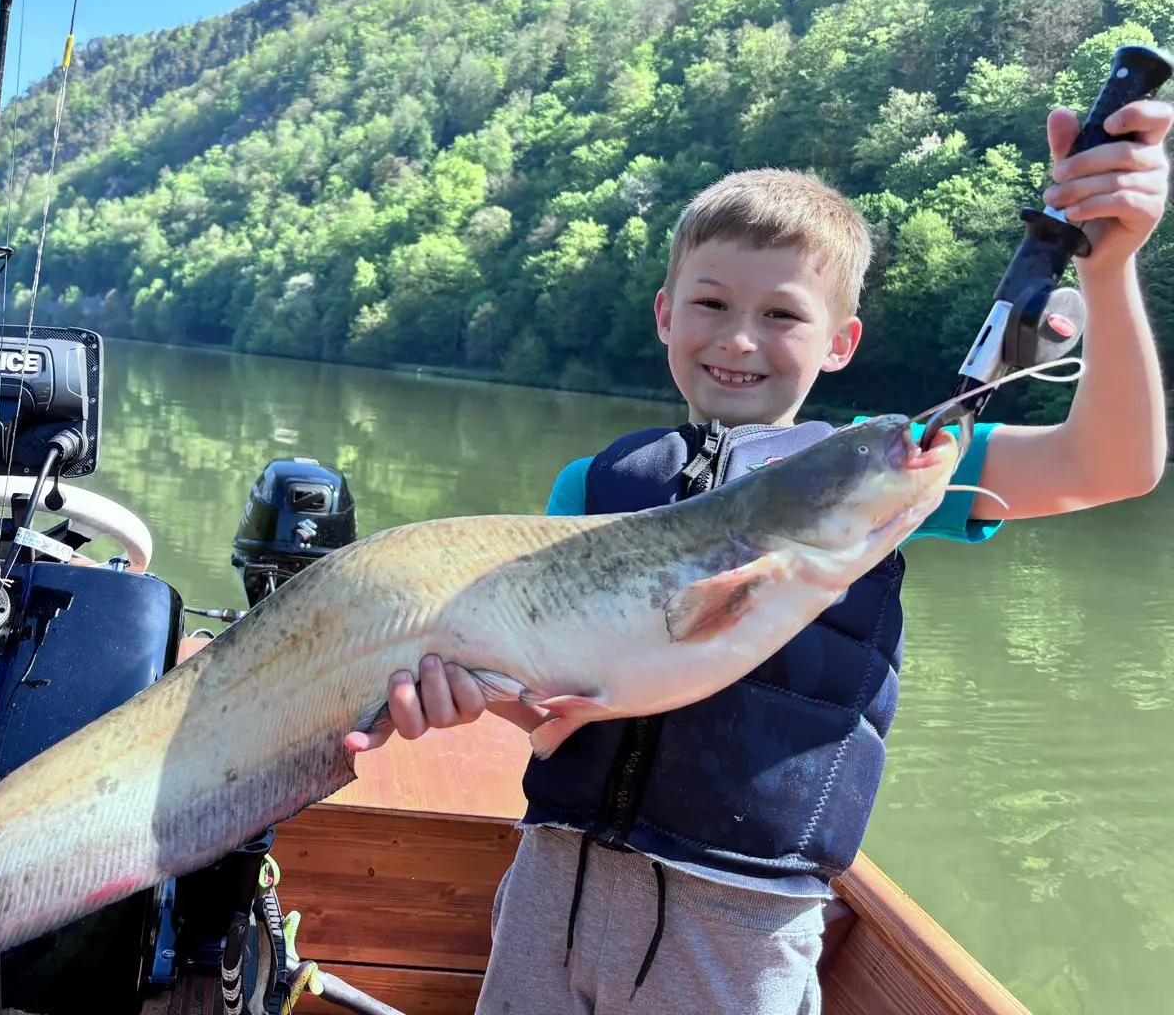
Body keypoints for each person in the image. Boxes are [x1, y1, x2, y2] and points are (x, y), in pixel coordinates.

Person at [343, 95, 1174, 1013]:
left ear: (840, 342)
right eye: (711, 303)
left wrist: (1111, 268)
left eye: (782, 314)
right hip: (553, 890)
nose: (739, 339)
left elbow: (1115, 464)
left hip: (739, 924)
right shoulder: (594, 486)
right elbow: (547, 718)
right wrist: (474, 699)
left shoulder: (882, 467)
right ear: (665, 315)